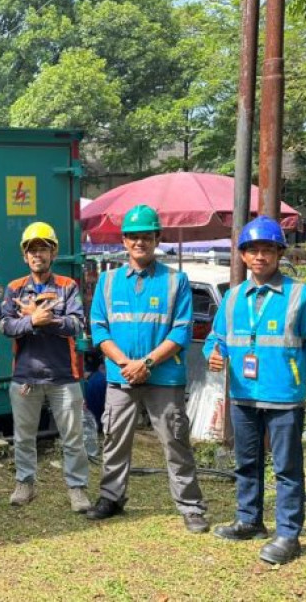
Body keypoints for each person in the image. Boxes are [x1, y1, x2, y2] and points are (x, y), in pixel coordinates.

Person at [205, 215, 306, 565]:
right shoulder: (231, 299)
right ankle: (249, 520)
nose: (260, 256)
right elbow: (218, 339)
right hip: (243, 394)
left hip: (284, 396)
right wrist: (213, 354)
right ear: (243, 256)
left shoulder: (300, 295)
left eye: (268, 250)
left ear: (279, 254)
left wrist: (292, 373)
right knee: (247, 461)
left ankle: (288, 534)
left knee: (287, 467)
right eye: (253, 250)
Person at [85, 204, 209, 532]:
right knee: (114, 438)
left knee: (175, 440)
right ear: (124, 241)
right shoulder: (108, 281)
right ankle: (111, 497)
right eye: (133, 237)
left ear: (157, 238)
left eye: (146, 236)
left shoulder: (175, 281)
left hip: (164, 376)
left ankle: (191, 506)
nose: (139, 242)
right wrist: (127, 364)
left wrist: (148, 363)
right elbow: (99, 329)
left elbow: (181, 331)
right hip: (120, 375)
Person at [1, 222, 91, 513]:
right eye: (32, 249)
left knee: (73, 437)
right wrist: (31, 321)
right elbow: (6, 326)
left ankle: (77, 488)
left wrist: (47, 320)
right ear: (24, 256)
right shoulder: (15, 288)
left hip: (64, 375)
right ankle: (25, 483)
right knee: (24, 436)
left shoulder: (67, 286)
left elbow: (77, 324)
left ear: (53, 253)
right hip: (26, 376)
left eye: (43, 248)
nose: (37, 254)